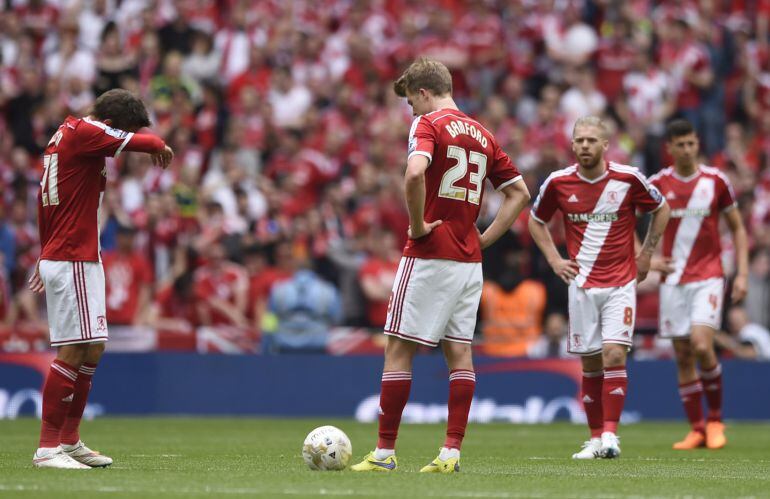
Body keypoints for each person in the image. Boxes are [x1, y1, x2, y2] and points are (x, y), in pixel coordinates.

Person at [351, 57, 531, 473]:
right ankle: (450, 453)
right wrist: (483, 237)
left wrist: (416, 226)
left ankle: (383, 454)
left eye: (411, 101)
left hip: (430, 254)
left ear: (424, 92)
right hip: (469, 262)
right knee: (460, 353)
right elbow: (520, 193)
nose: (411, 111)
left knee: (398, 348)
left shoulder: (428, 124)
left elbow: (415, 174)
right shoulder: (483, 134)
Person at [28, 89, 173, 469]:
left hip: (76, 254)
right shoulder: (87, 130)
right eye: (122, 132)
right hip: (72, 256)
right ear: (110, 124)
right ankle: (47, 449)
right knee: (74, 349)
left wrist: (46, 252)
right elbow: (150, 143)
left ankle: (70, 440)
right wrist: (158, 144)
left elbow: (49, 200)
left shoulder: (71, 134)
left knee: (93, 347)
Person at [528, 116, 670, 459]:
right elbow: (535, 221)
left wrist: (646, 255)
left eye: (592, 140)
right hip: (581, 286)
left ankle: (610, 435)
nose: (585, 146)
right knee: (590, 365)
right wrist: (554, 260)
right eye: (580, 140)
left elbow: (662, 209)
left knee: (615, 354)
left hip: (620, 282)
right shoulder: (558, 183)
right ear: (572, 145)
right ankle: (594, 438)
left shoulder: (628, 178)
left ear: (605, 145)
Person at [648, 119, 748, 450]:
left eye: (692, 143)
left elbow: (737, 228)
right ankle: (697, 429)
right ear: (671, 148)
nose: (688, 149)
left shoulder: (715, 181)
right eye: (682, 145)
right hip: (672, 280)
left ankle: (717, 420)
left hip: (708, 276)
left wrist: (743, 273)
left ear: (697, 144)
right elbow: (627, 220)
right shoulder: (657, 183)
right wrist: (644, 257)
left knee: (702, 345)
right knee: (683, 355)